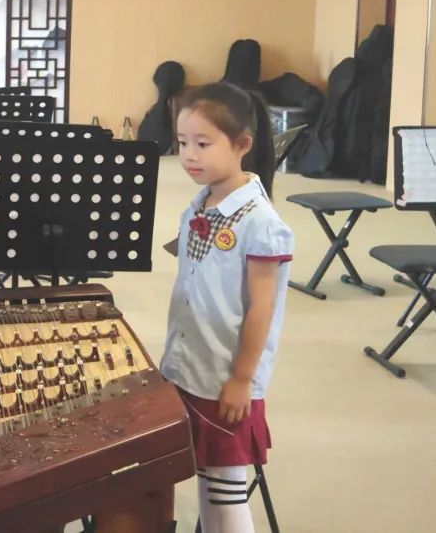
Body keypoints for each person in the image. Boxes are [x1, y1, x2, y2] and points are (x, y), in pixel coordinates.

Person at [161, 82, 294, 533]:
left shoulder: (261, 223)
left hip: (225, 377)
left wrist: (241, 380)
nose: (189, 154)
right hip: (190, 364)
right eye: (182, 142)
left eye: (203, 143)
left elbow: (262, 309)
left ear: (242, 145)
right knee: (205, 479)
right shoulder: (202, 201)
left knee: (224, 491)